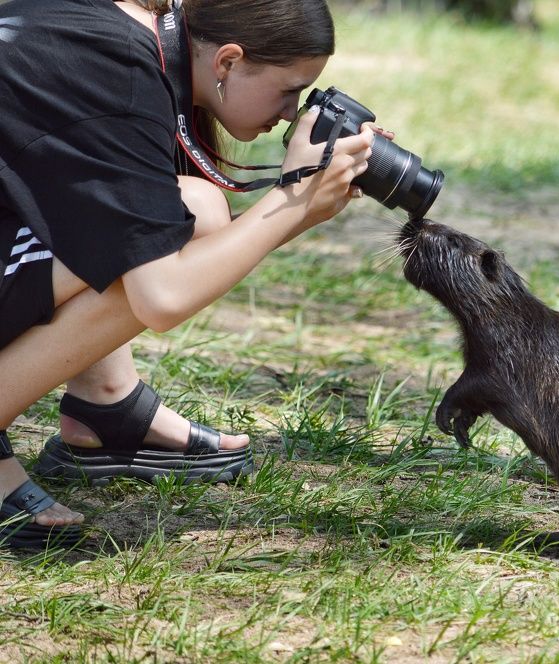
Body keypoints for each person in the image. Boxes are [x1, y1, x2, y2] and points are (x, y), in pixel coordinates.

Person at [0, 0, 375, 547]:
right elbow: (162, 295)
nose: (293, 112)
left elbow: (100, 202)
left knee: (194, 210)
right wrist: (296, 201)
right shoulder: (124, 80)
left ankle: (105, 398)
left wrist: (303, 203)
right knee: (181, 229)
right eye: (289, 90)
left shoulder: (123, 32)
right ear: (227, 61)